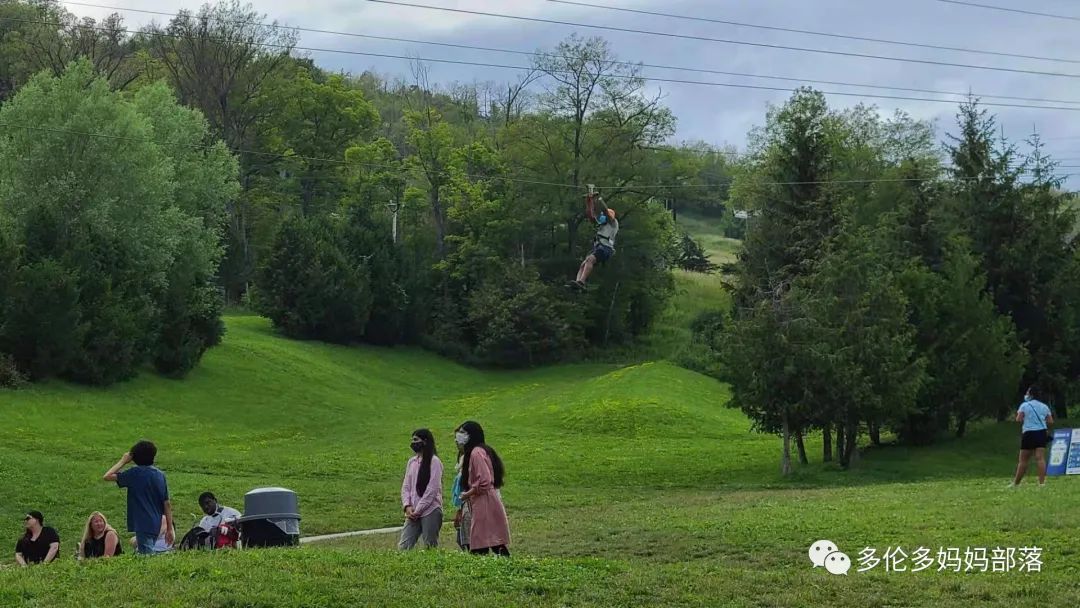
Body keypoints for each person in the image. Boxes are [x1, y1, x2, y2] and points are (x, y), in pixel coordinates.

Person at [103, 440, 174, 555]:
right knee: (147, 551)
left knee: (146, 556)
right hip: (156, 522)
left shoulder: (135, 473)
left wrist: (123, 461)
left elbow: (107, 476)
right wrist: (170, 528)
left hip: (142, 521)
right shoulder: (160, 475)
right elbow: (167, 503)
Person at [457, 421, 511, 557]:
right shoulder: (481, 451)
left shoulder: (476, 453)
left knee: (481, 539)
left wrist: (467, 493)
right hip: (483, 500)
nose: (459, 436)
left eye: (463, 433)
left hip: (484, 500)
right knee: (490, 538)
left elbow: (484, 481)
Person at [399, 429, 443, 550]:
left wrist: (419, 510)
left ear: (425, 441)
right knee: (404, 546)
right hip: (412, 511)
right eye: (412, 440)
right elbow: (406, 486)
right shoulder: (412, 462)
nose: (413, 443)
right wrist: (407, 506)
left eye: (416, 440)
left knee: (430, 546)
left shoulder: (434, 462)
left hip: (430, 510)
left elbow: (432, 490)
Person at [571, 185, 618, 290]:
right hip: (599, 247)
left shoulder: (613, 223)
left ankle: (582, 282)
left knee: (590, 260)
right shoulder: (602, 224)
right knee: (584, 264)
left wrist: (599, 200)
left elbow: (605, 211)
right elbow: (591, 215)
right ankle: (578, 282)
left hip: (606, 248)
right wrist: (589, 201)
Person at [1011, 386, 1054, 487]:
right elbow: (1050, 421)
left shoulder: (1024, 405)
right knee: (1040, 458)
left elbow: (1018, 419)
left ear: (1031, 394)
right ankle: (1042, 483)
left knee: (1023, 460)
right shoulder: (1044, 406)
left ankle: (1016, 483)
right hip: (1041, 433)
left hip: (1029, 433)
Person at [451, 442, 472, 551]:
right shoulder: (460, 473)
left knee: (467, 539)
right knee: (461, 538)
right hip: (463, 505)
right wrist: (458, 510)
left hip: (469, 506)